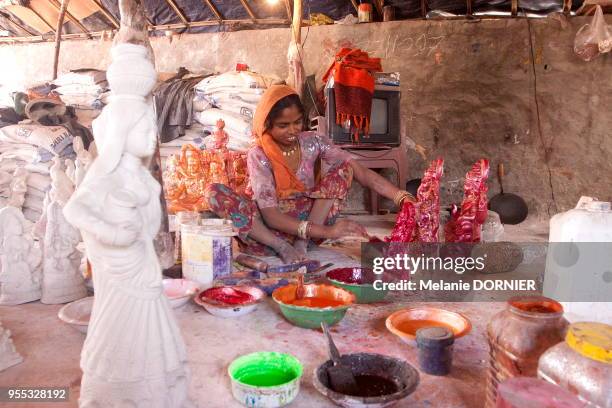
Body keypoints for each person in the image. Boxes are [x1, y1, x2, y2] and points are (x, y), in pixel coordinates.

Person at [205, 85, 415, 263]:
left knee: (346, 167)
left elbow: (359, 170)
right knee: (214, 192)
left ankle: (301, 244)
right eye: (283, 125)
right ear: (267, 125)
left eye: (297, 122)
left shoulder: (313, 141)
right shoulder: (258, 154)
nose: (292, 130)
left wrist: (401, 196)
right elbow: (270, 215)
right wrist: (327, 233)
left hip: (309, 222)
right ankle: (282, 247)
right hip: (270, 231)